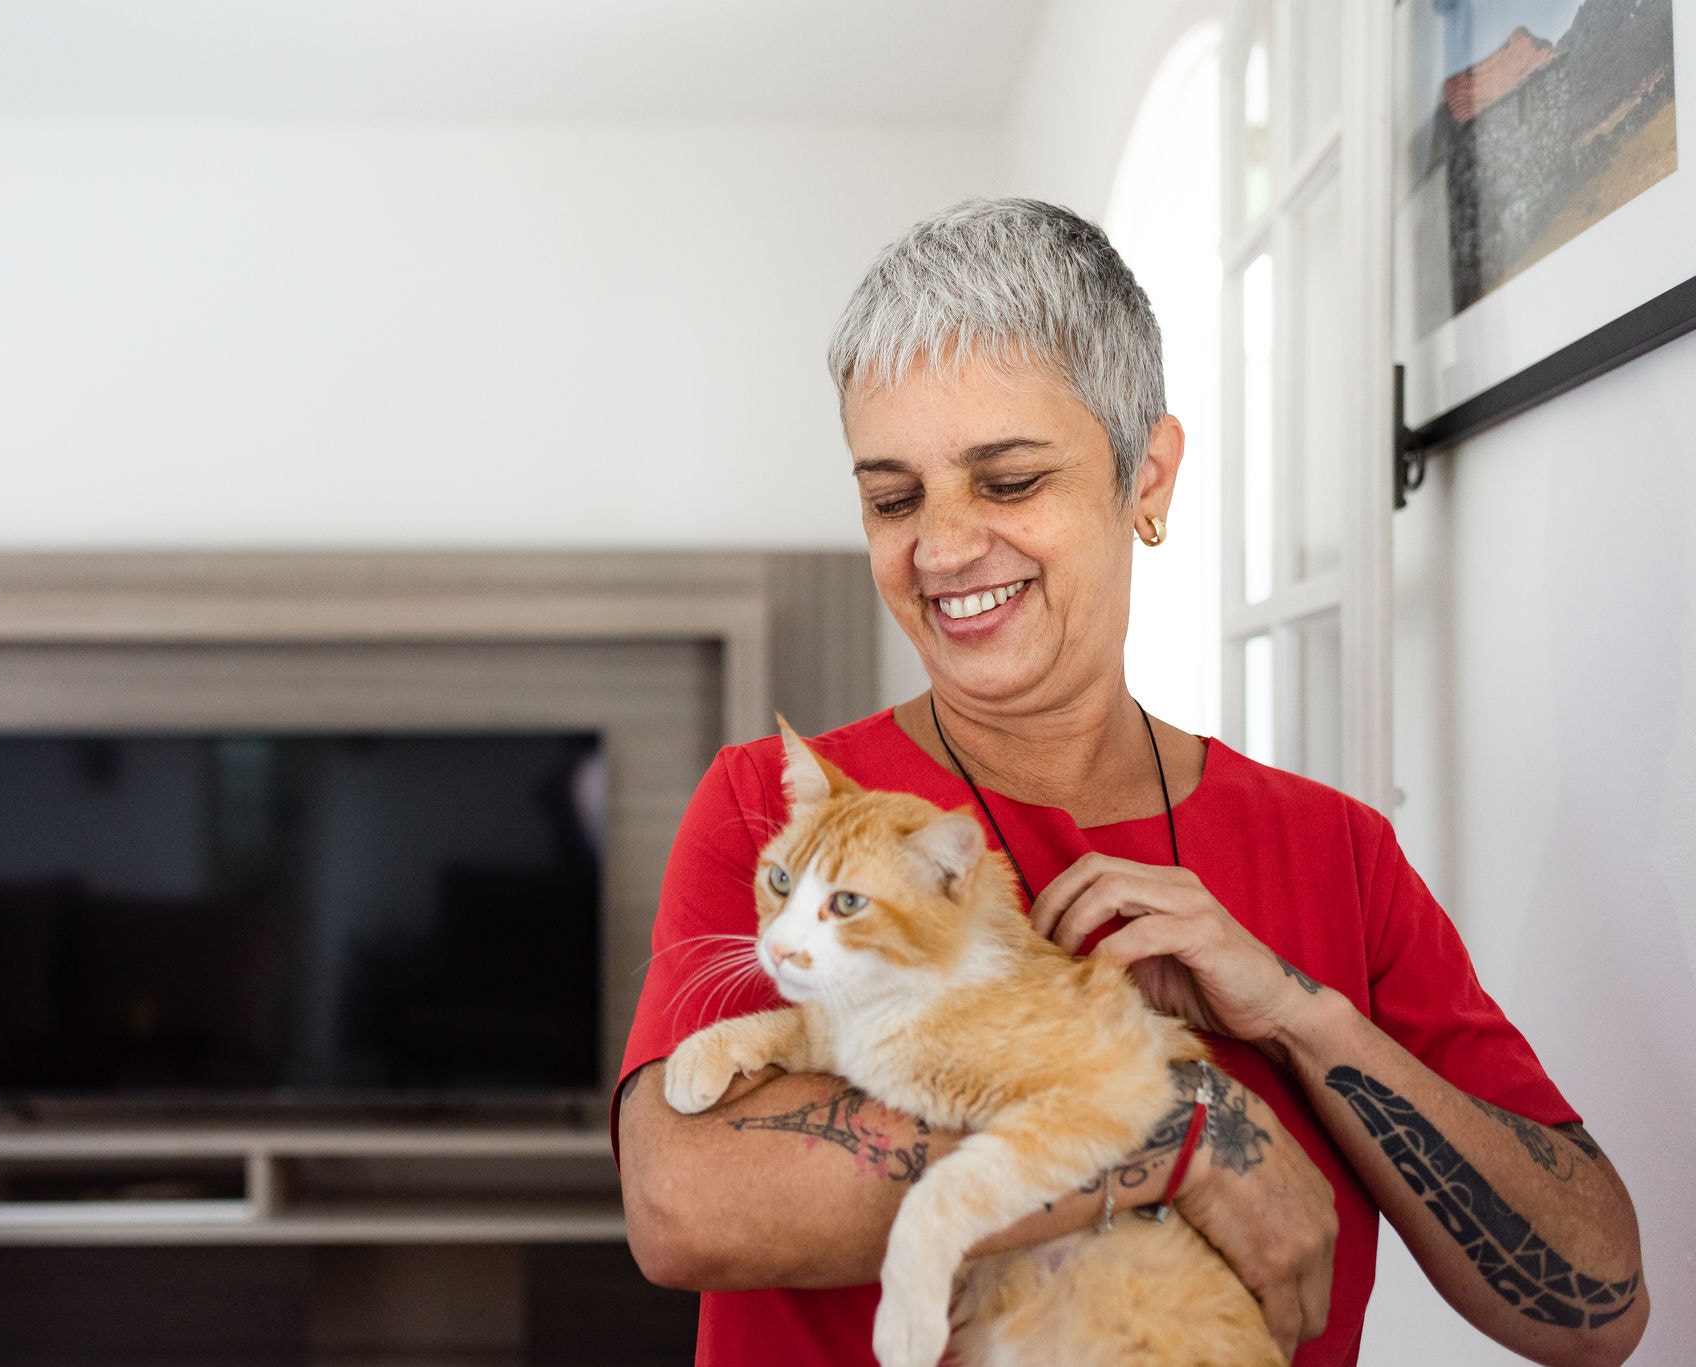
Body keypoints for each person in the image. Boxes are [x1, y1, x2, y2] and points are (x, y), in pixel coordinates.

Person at [614, 199, 1645, 1367]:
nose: (941, 550)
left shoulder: (1333, 853)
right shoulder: (782, 812)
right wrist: (1184, 1126)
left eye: (1005, 482)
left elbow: (1593, 1299)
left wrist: (1295, 1015)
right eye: (892, 497)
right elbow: (680, 1198)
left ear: (1144, 476)